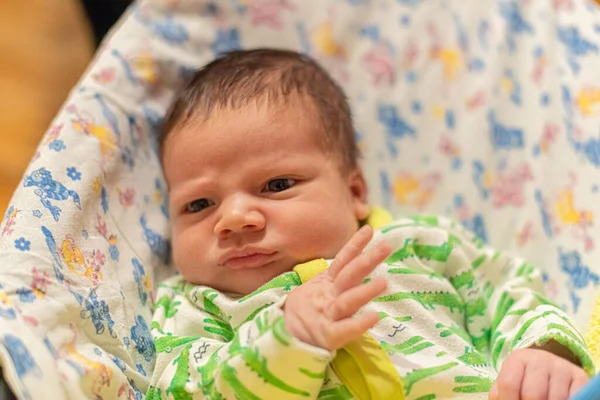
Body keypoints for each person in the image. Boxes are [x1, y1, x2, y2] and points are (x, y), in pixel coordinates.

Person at [147, 48, 593, 400]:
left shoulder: (419, 245)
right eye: (199, 203)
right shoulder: (194, 307)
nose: (233, 219)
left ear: (355, 192)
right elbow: (182, 389)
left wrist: (542, 353)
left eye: (276, 184)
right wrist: (284, 342)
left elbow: (509, 292)